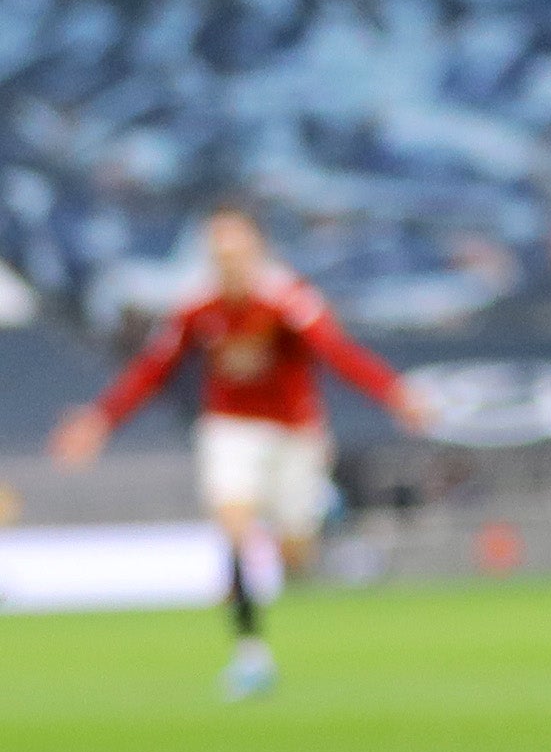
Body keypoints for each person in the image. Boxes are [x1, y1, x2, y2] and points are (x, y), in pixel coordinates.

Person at [49, 203, 435, 699]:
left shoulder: (287, 299)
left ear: (257, 249)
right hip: (230, 428)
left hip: (294, 434)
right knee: (234, 525)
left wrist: (393, 391)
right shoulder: (197, 306)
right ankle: (250, 654)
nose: (227, 259)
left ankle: (323, 510)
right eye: (218, 250)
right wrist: (100, 419)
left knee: (296, 557)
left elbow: (336, 353)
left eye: (236, 248)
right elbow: (153, 368)